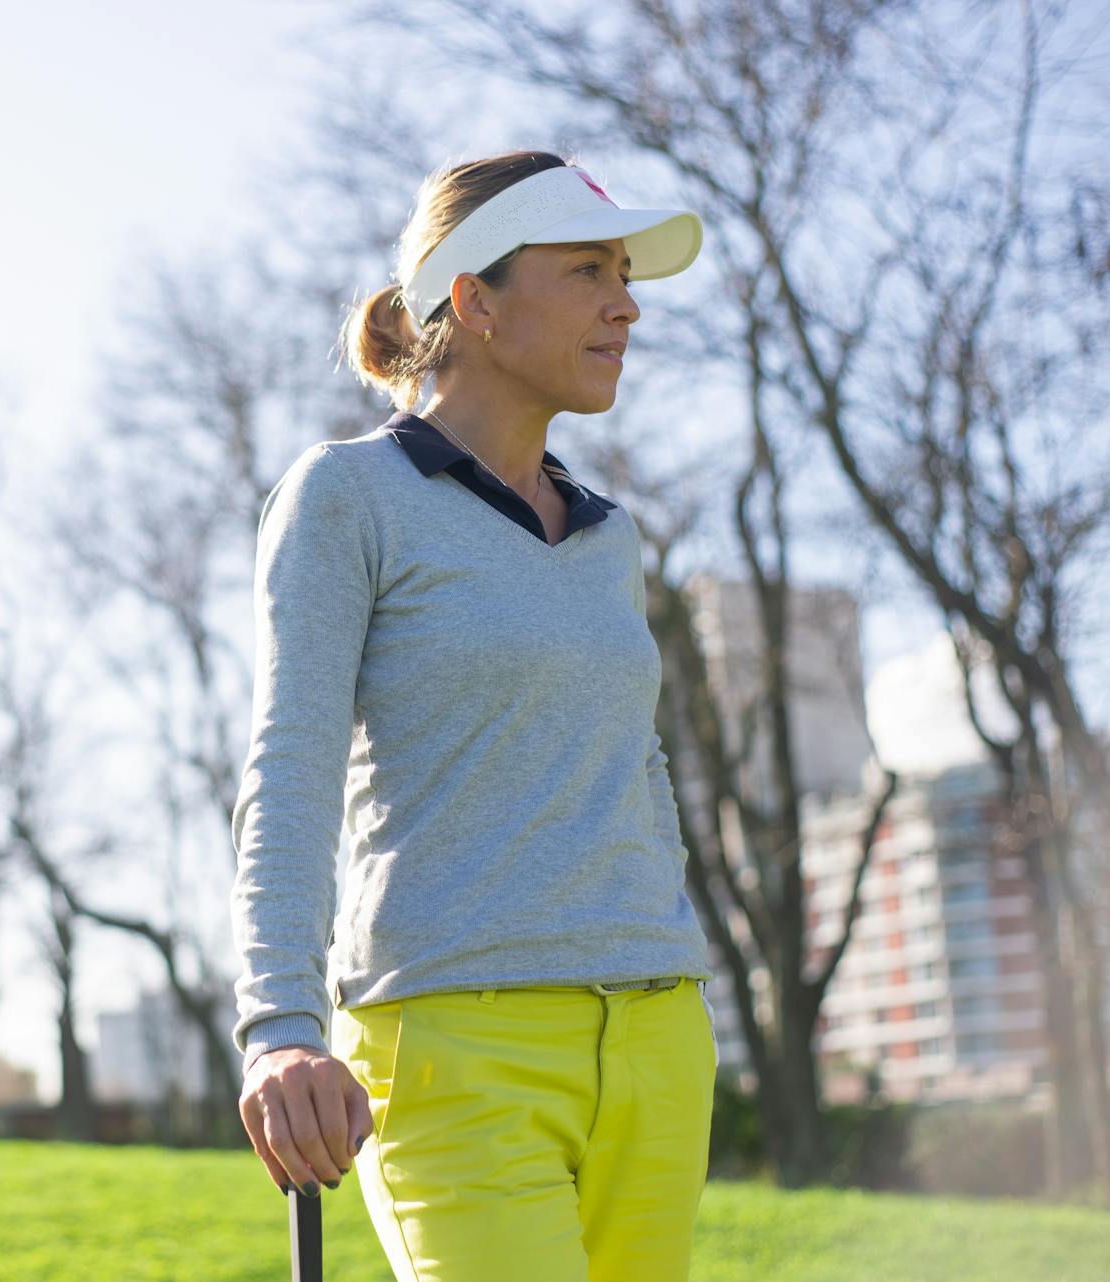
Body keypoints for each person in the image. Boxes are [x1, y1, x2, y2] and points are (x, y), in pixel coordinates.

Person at [228, 148, 721, 1282]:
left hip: (656, 1039)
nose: (626, 304)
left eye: (627, 274)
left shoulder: (611, 536)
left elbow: (636, 761)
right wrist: (281, 1028)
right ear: (476, 300)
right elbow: (290, 767)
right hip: (459, 1044)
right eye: (590, 270)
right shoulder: (346, 498)